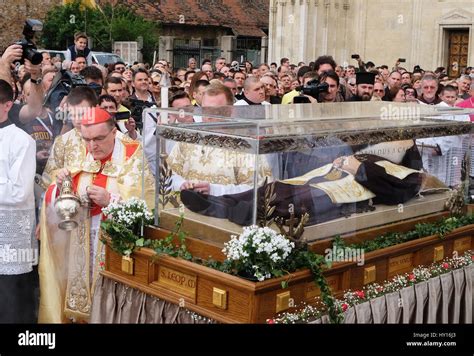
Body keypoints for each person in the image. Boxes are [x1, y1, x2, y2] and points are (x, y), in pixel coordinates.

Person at [38, 107, 155, 323]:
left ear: (114, 132)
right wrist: (61, 186)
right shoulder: (82, 152)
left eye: (99, 139)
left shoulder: (132, 156)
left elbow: (146, 208)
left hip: (114, 249)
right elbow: (53, 197)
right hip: (79, 247)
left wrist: (110, 200)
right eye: (87, 140)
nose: (92, 146)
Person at [179, 141, 441, 227]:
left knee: (297, 201)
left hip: (344, 192)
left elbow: (393, 193)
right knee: (281, 187)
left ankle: (248, 213)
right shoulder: (369, 154)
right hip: (327, 177)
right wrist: (347, 162)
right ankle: (222, 203)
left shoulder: (409, 177)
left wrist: (359, 169)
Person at [0, 79, 37, 323]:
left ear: (7, 105)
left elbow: (19, 192)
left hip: (11, 242)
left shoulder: (22, 141)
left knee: (11, 309)